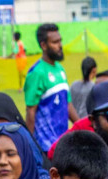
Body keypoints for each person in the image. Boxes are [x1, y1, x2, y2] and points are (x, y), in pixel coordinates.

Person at [26, 24, 73, 154]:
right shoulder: (36, 73)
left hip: (63, 143)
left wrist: (84, 125)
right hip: (45, 146)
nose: (60, 45)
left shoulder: (60, 69)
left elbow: (67, 104)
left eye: (60, 40)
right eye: (55, 42)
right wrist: (29, 146)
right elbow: (30, 111)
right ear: (44, 45)